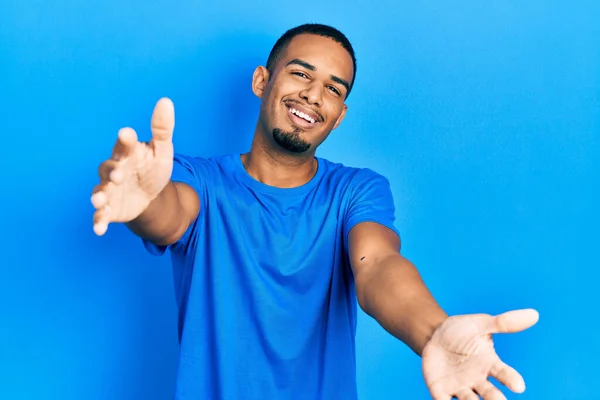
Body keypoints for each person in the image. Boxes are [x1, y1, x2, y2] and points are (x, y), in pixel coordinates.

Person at [91, 23, 539, 400]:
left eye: (332, 88)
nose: (312, 95)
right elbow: (170, 215)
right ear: (262, 81)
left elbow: (379, 267)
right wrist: (144, 202)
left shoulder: (355, 191)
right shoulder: (200, 181)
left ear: (340, 115)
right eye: (301, 73)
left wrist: (432, 331)